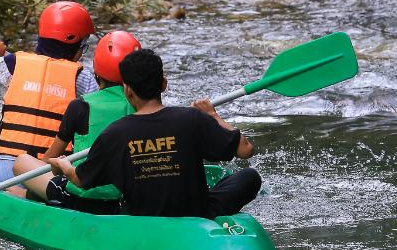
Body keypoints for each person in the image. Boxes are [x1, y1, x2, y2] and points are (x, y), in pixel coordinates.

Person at [46, 49, 262, 219]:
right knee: (250, 177)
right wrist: (213, 116)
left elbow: (81, 180)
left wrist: (65, 166)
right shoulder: (193, 119)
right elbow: (246, 150)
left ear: (127, 90)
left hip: (141, 217)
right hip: (195, 212)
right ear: (164, 84)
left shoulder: (115, 133)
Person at [0, 1, 97, 185]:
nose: (82, 52)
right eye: (83, 46)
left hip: (4, 175)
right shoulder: (82, 76)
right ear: (71, 41)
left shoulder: (12, 64)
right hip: (51, 178)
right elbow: (96, 122)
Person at [12, 30, 143, 214]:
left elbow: (49, 160)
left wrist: (61, 164)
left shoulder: (81, 106)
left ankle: (24, 198)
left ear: (97, 70)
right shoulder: (145, 105)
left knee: (22, 162)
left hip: (82, 199)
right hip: (127, 200)